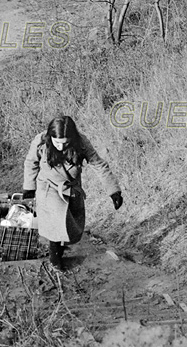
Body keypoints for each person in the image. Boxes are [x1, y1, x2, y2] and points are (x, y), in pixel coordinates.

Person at [22, 115, 123, 271]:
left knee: (70, 227)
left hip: (71, 188)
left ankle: (60, 251)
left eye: (65, 143)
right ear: (50, 137)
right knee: (55, 223)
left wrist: (113, 191)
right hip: (48, 187)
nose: (61, 148)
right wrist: (29, 188)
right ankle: (55, 260)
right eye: (57, 143)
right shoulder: (40, 141)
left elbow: (98, 164)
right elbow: (31, 163)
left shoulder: (81, 142)